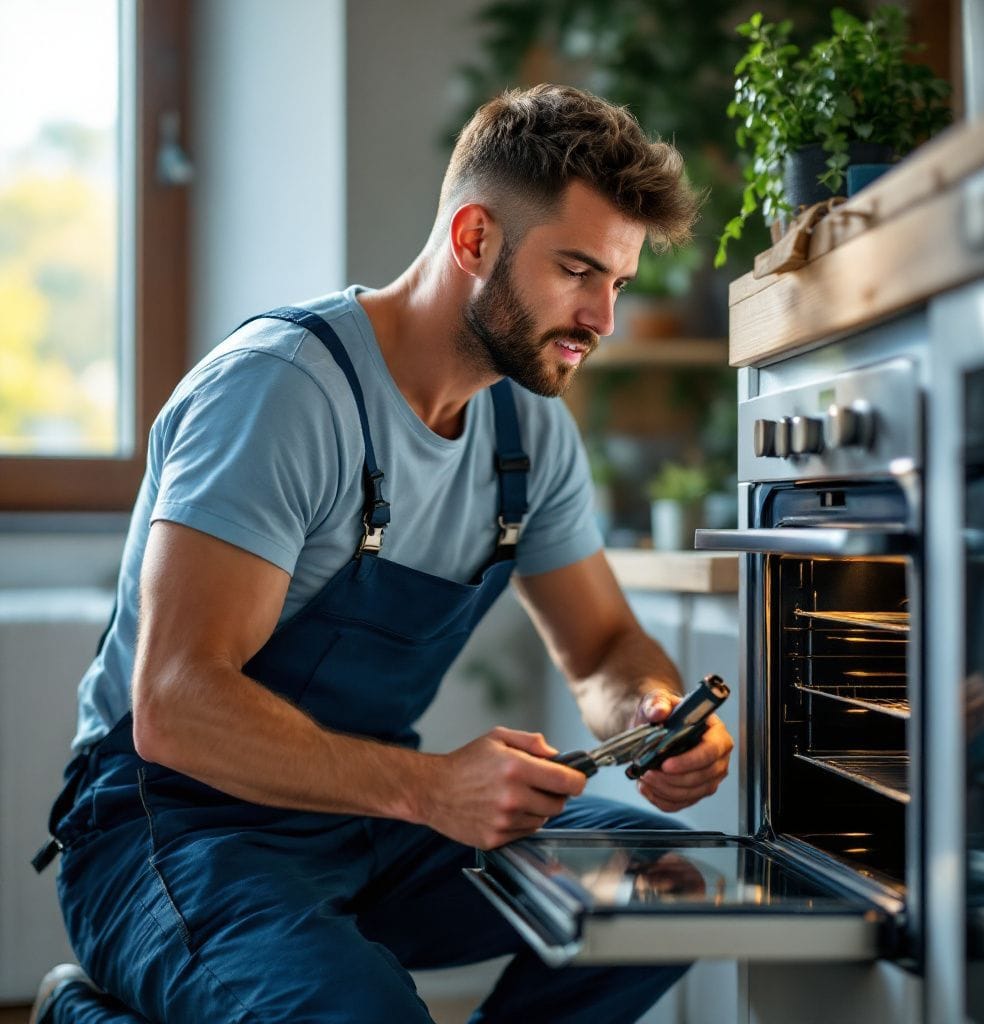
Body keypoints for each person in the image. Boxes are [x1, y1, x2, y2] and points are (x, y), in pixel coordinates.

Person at [30, 84, 733, 1024]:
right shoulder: (282, 393)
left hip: (369, 819)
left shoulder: (531, 430)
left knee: (662, 890)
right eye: (577, 272)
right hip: (168, 828)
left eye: (618, 283)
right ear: (475, 238)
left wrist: (652, 714)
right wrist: (433, 787)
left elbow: (603, 645)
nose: (603, 318)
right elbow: (176, 705)